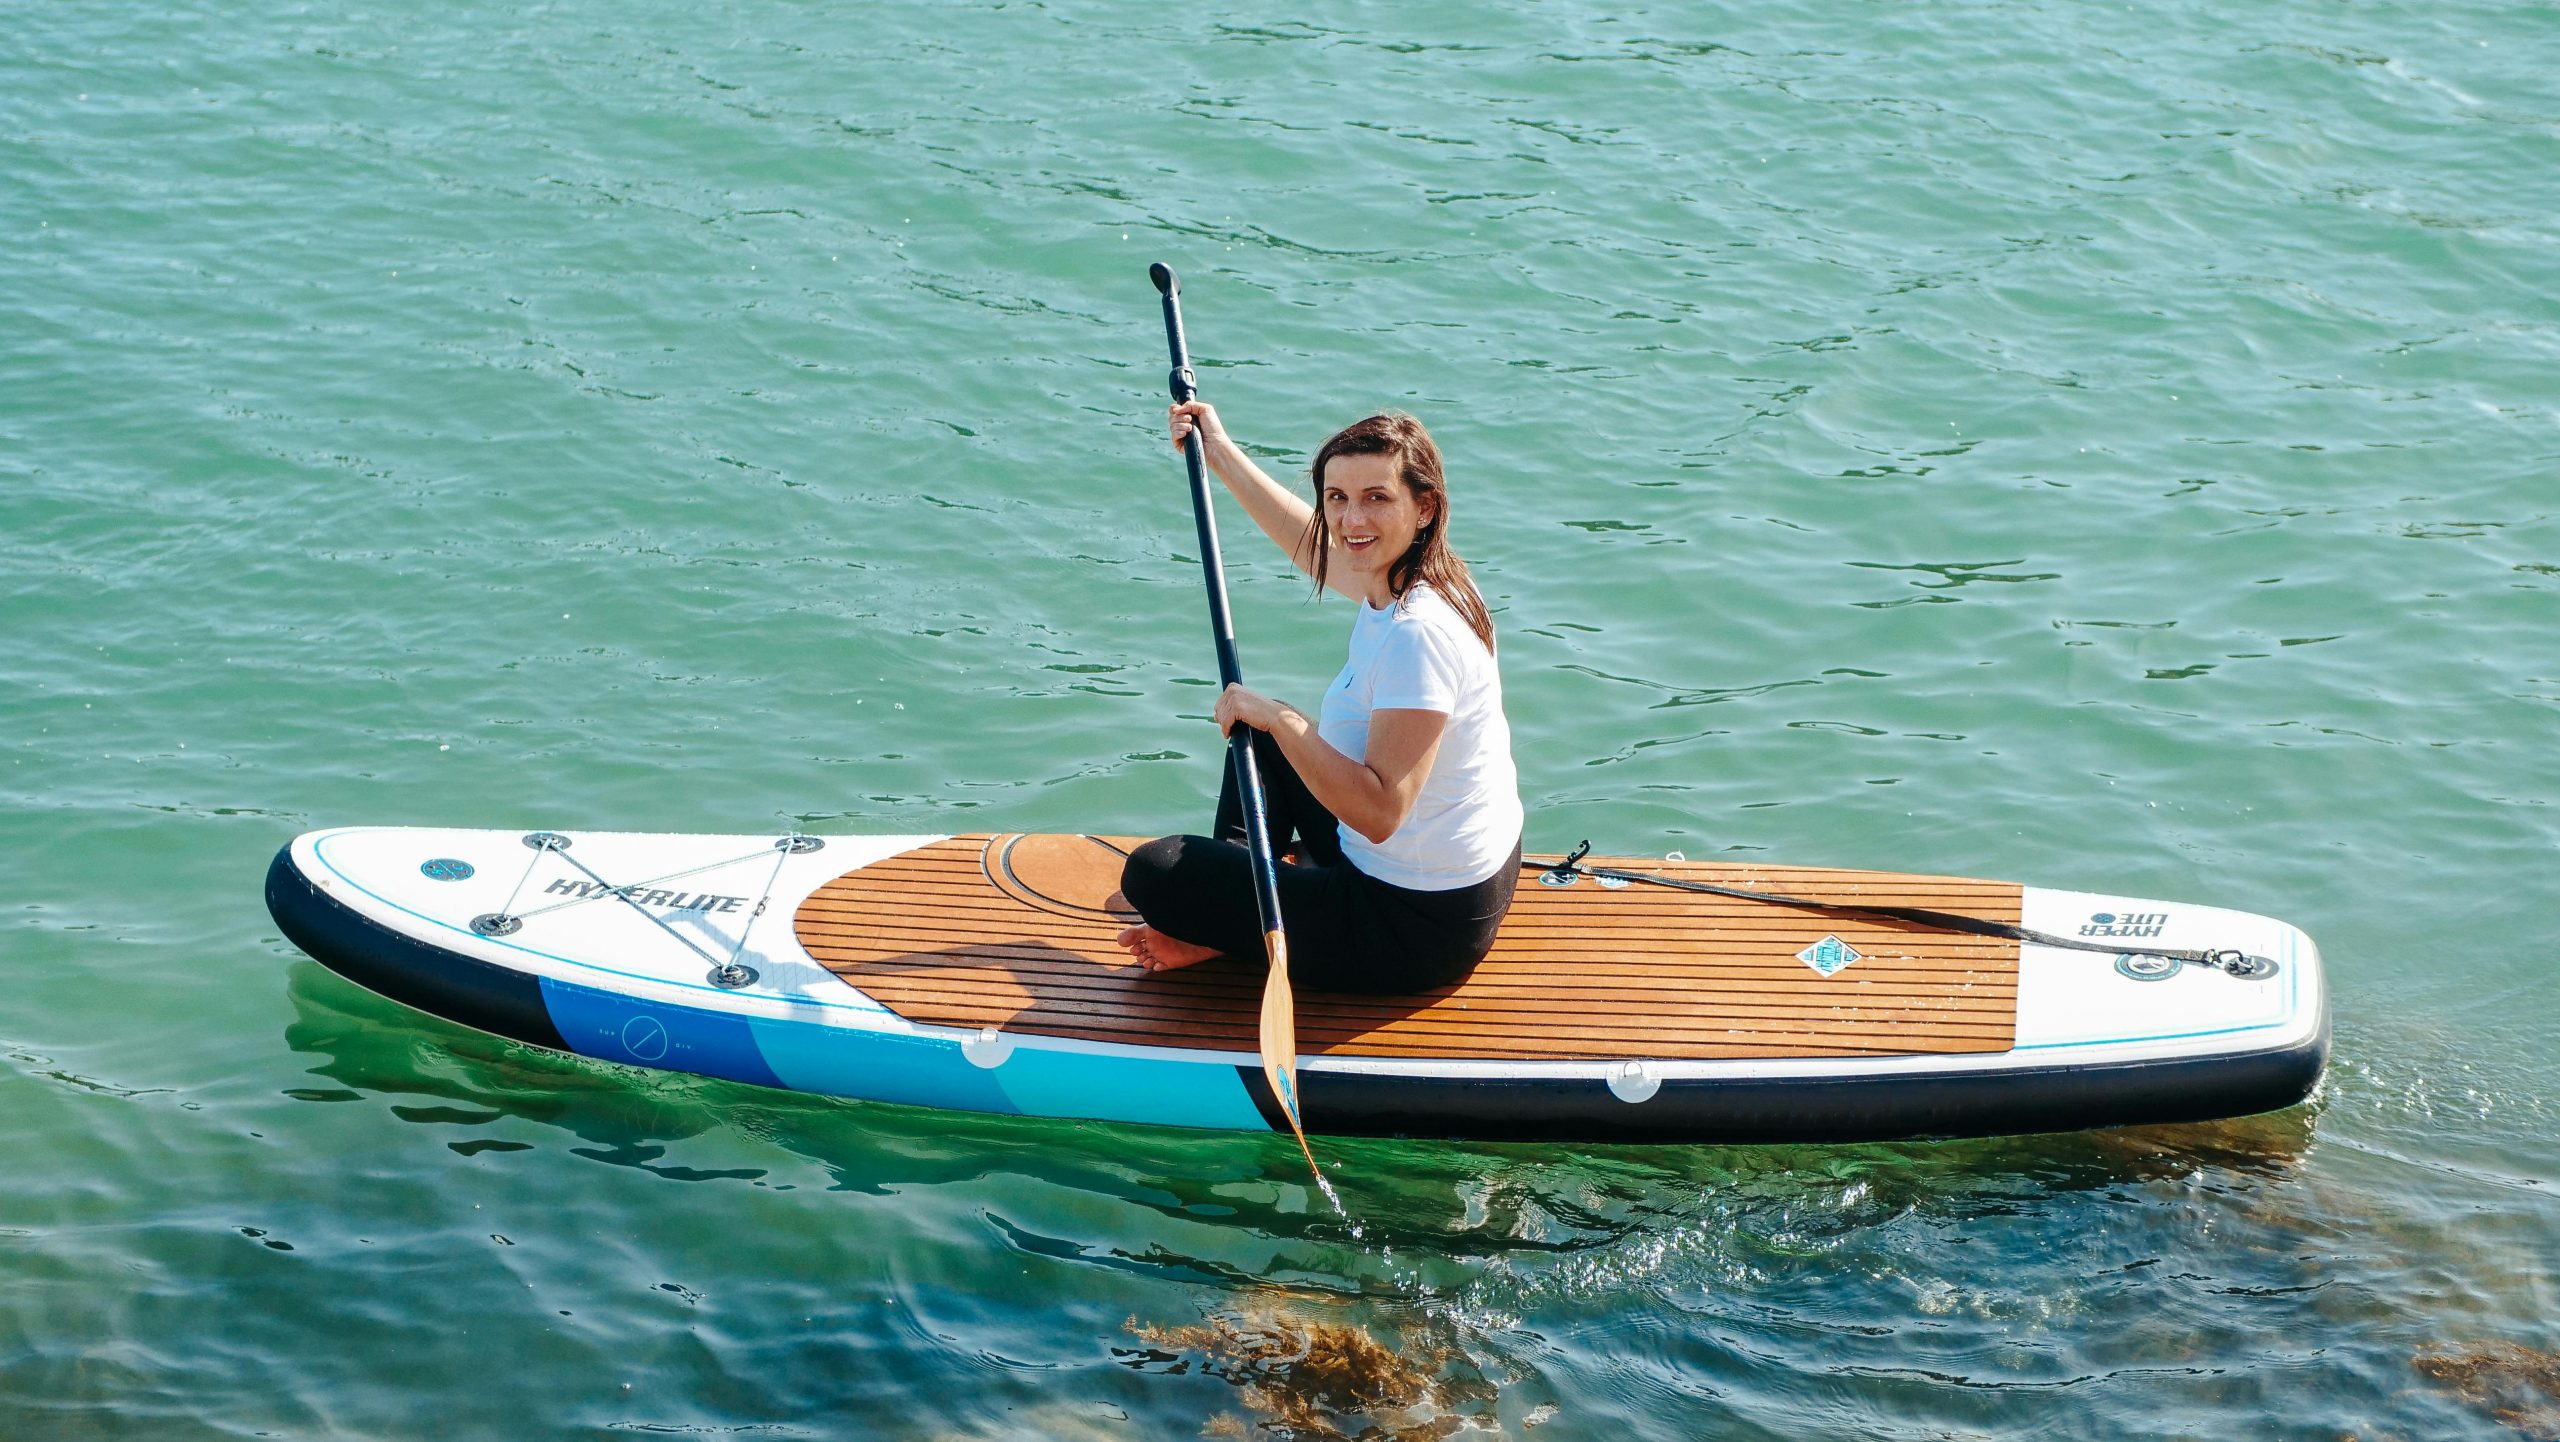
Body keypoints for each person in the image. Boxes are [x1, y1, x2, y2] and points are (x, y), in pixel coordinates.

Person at [1114, 404, 1524, 994]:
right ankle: (1230, 906)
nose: (1351, 518)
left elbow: (1381, 814)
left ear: (1424, 506)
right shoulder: (1425, 574)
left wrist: (1284, 718)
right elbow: (1311, 548)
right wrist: (1220, 453)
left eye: (1376, 498)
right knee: (1258, 739)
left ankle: (1218, 920)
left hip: (1412, 924)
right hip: (1474, 872)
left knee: (1155, 871)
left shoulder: (1419, 636)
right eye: (1336, 497)